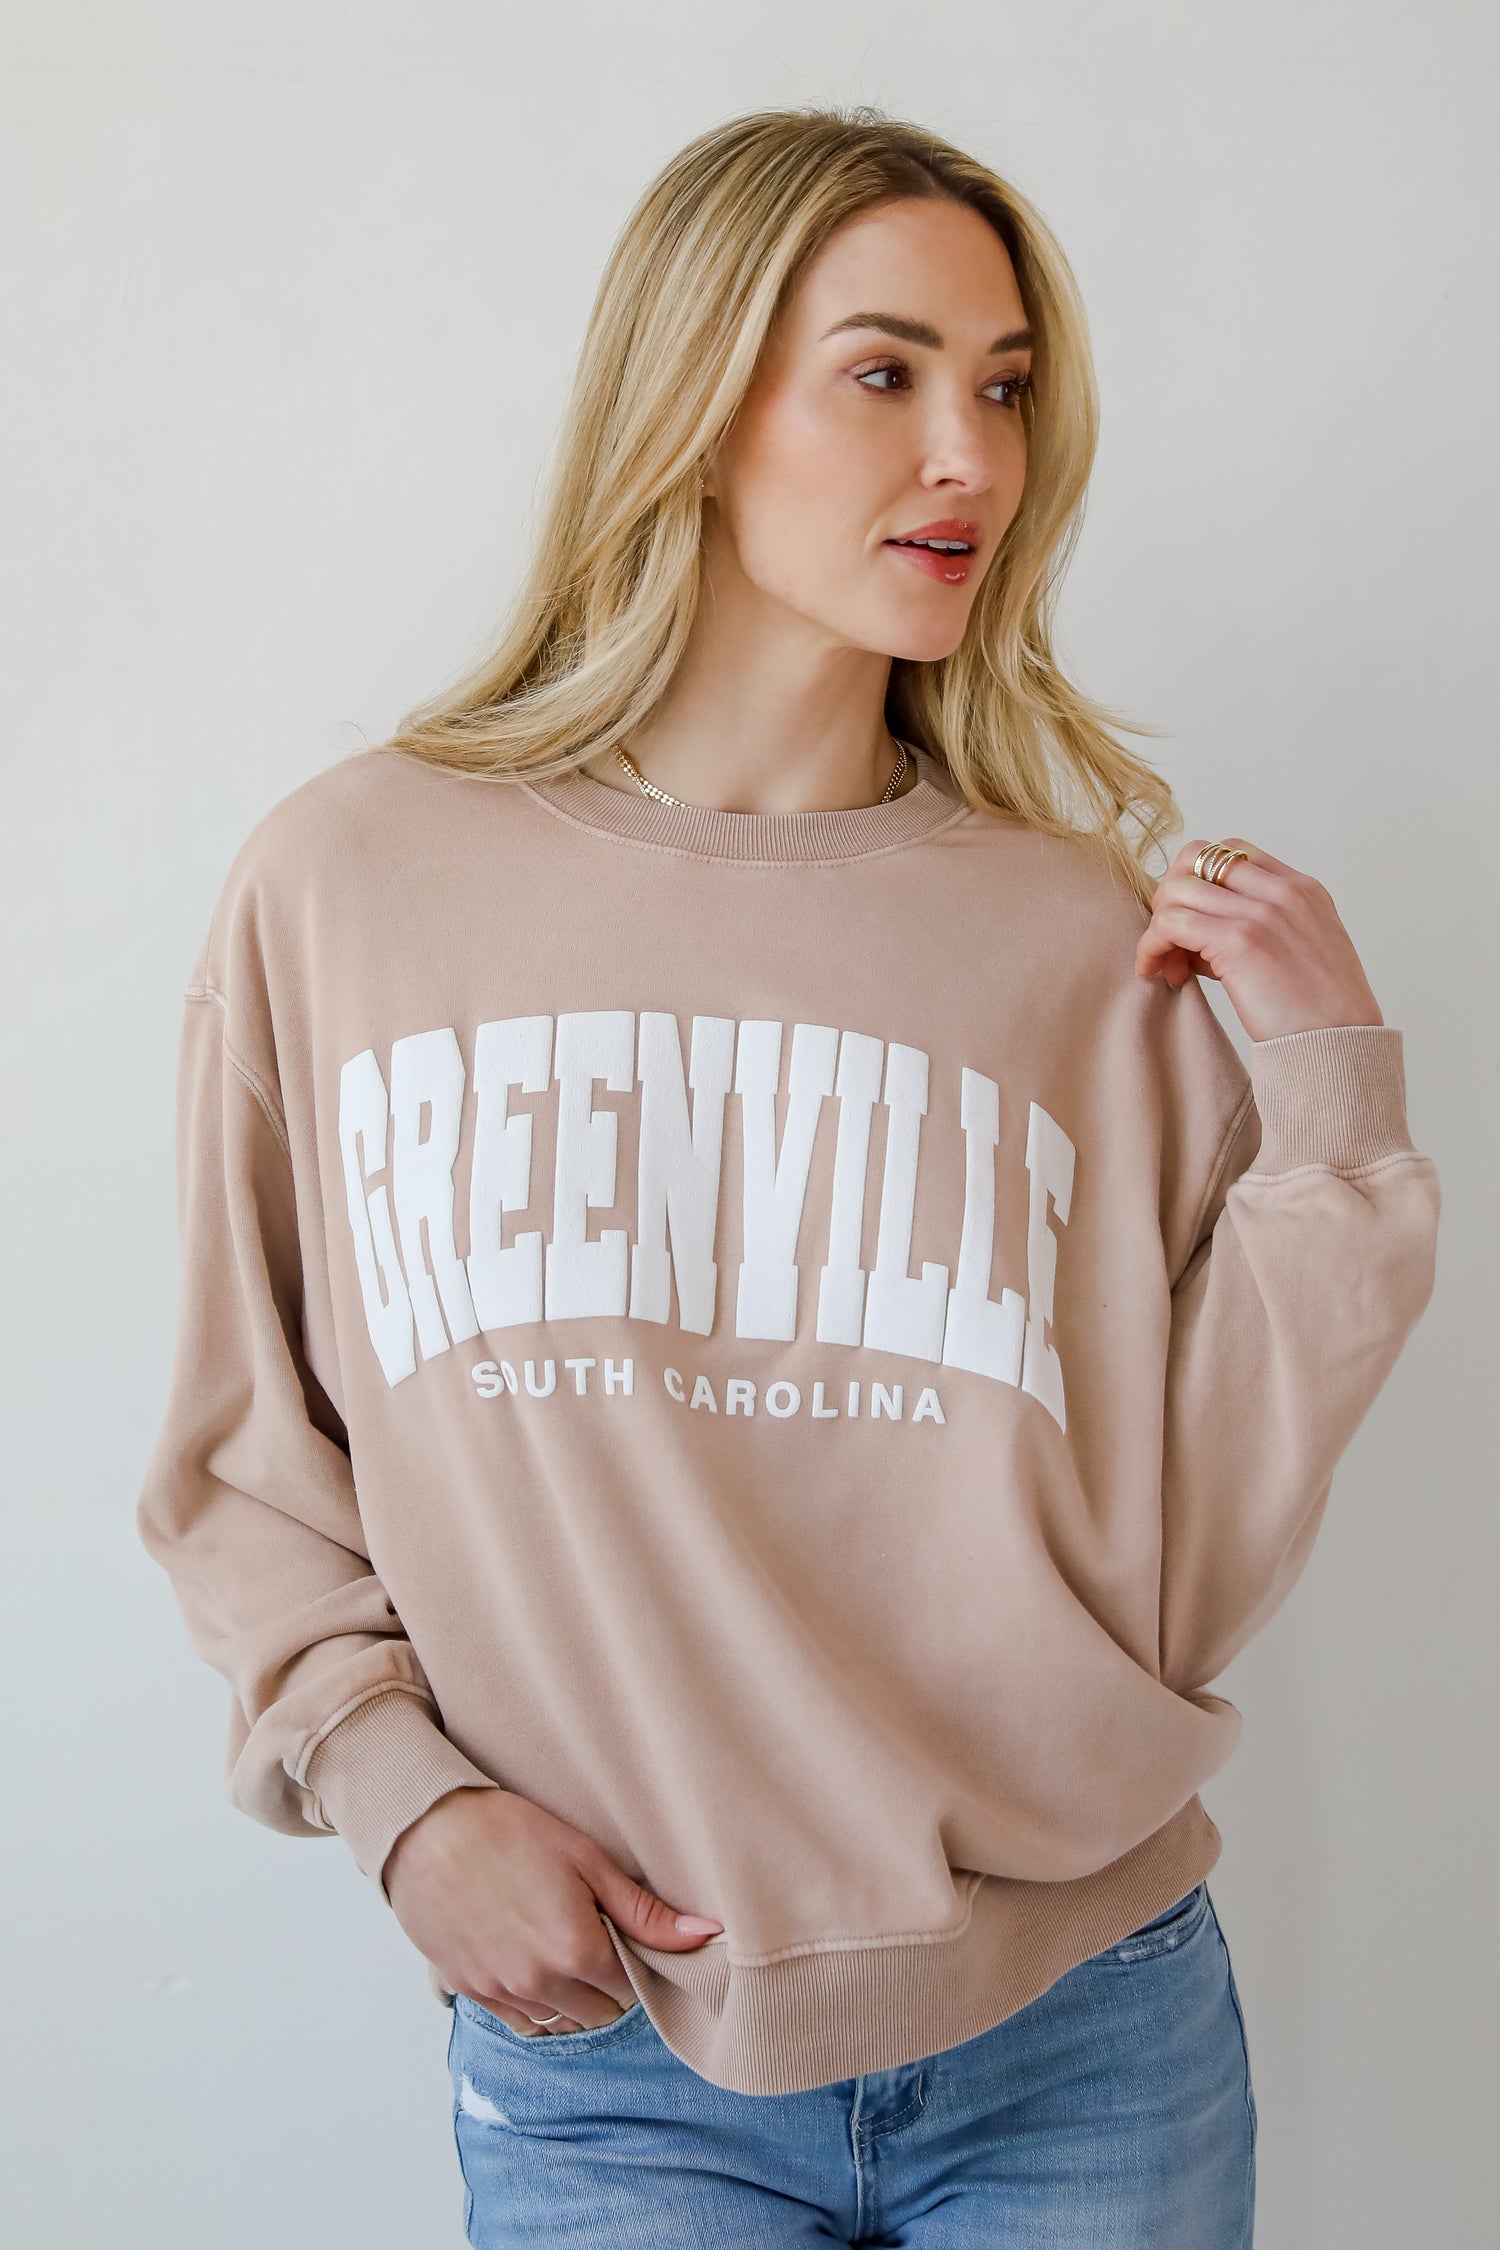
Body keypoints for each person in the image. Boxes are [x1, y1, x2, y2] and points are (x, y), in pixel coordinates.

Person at [136, 105, 1440, 2247]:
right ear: (696, 402)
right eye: (885, 373)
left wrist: (1333, 1124)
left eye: (1004, 388)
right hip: (608, 2047)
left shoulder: (1078, 944)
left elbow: (1181, 1574)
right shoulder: (351, 886)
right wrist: (401, 1800)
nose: (970, 457)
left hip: (1082, 2025)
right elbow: (240, 1458)